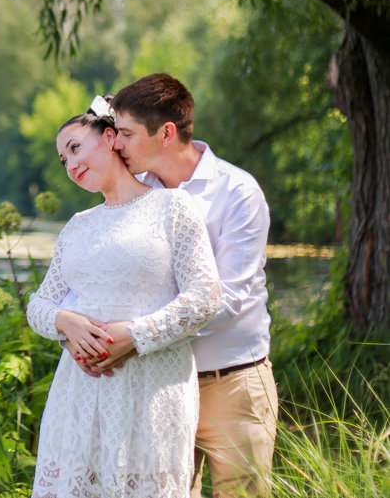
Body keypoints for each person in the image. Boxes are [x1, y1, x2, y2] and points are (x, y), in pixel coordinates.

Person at [91, 74, 278, 498]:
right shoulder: (136, 194)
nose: (116, 144)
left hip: (231, 384)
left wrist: (138, 336)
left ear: (167, 133)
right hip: (159, 385)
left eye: (125, 134)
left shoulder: (237, 193)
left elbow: (229, 298)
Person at [27, 104, 220, 498]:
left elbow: (204, 297)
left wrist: (133, 336)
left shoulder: (172, 206)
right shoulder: (78, 224)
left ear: (111, 137)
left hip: (151, 389)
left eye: (76, 148)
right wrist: (67, 323)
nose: (70, 164)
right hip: (78, 394)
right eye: (64, 159)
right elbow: (38, 305)